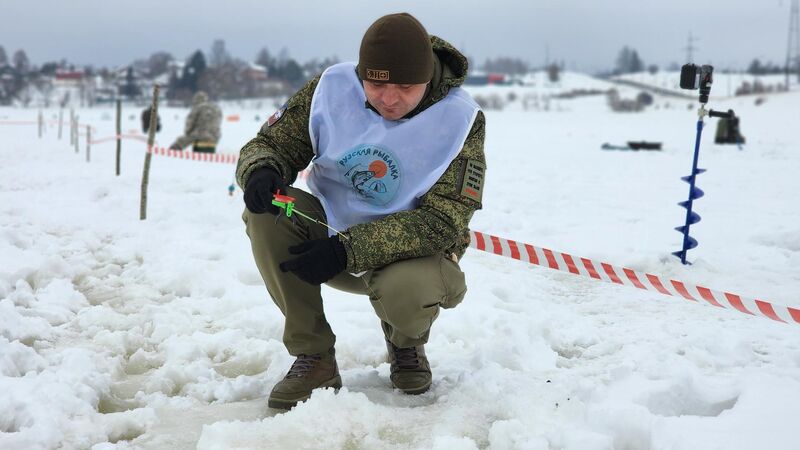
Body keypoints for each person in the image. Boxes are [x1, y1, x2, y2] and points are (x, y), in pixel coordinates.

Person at [237, 12, 486, 410]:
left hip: (407, 258)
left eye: (405, 86)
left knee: (408, 291)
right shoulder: (331, 88)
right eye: (375, 84)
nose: (389, 98)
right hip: (325, 235)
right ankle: (314, 357)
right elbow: (272, 143)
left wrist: (349, 250)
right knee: (269, 214)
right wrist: (261, 169)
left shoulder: (459, 119)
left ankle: (405, 344)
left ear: (427, 77)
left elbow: (444, 221)